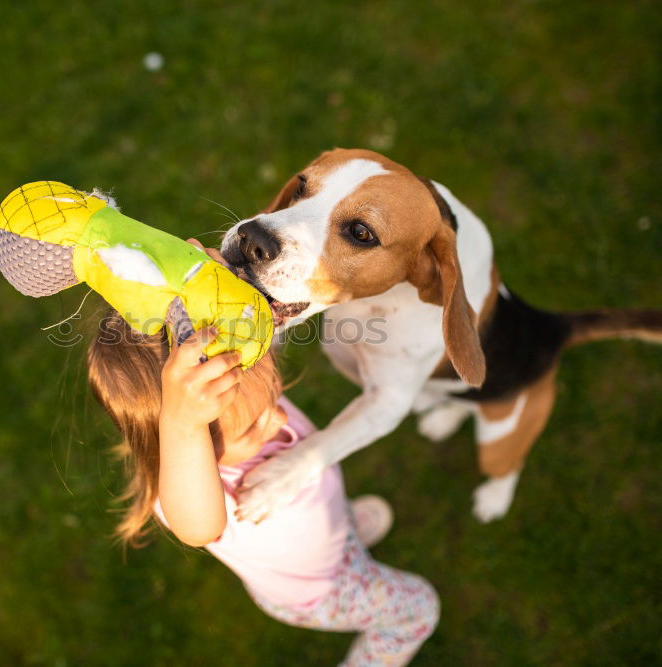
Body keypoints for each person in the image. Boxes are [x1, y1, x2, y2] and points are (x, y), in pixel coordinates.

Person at [86, 268, 439, 667]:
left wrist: (216, 285)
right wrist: (182, 425)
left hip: (323, 545)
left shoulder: (234, 395)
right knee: (420, 607)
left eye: (276, 391)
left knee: (340, 526)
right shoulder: (192, 490)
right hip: (316, 590)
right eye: (254, 424)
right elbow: (197, 528)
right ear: (191, 440)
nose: (280, 421)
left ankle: (346, 539)